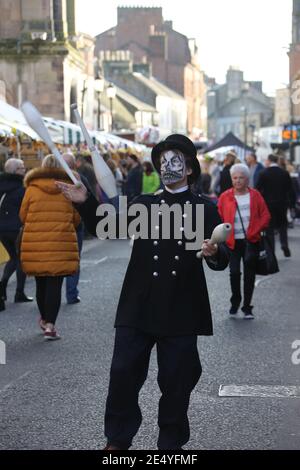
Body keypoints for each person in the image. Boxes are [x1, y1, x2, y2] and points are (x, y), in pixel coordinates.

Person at [56, 134, 229, 450]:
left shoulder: (205, 210)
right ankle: (118, 440)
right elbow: (108, 227)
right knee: (122, 375)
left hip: (181, 308)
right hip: (138, 304)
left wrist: (214, 252)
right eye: (163, 160)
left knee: (177, 382)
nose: (167, 166)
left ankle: (170, 444)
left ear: (189, 169)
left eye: (175, 160)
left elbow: (221, 257)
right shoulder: (145, 203)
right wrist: (87, 202)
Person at [19, 155, 80, 339]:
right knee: (55, 284)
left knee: (41, 283)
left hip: (36, 243)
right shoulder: (69, 187)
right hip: (60, 241)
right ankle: (50, 326)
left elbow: (23, 215)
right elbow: (76, 217)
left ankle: (45, 320)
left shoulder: (32, 188)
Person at [218, 163, 270, 319]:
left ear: (247, 179)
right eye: (235, 178)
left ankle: (247, 307)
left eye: (241, 178)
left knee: (249, 274)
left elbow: (266, 216)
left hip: (251, 241)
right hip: (232, 242)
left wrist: (254, 232)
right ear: (231, 179)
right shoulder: (225, 197)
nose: (238, 181)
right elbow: (219, 217)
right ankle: (235, 302)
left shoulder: (255, 195)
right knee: (234, 272)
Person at [0, 158, 33, 311]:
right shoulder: (22, 186)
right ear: (14, 171)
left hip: (2, 228)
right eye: (21, 167)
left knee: (14, 257)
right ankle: (19, 292)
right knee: (22, 259)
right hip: (17, 228)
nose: (24, 169)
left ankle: (3, 287)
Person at [256, 154, 294, 257]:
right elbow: (290, 190)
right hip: (282, 203)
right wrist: (291, 204)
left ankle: (271, 250)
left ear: (268, 160)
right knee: (283, 225)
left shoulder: (263, 173)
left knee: (269, 228)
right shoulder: (285, 173)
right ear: (277, 161)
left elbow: (257, 189)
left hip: (268, 204)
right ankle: (284, 244)